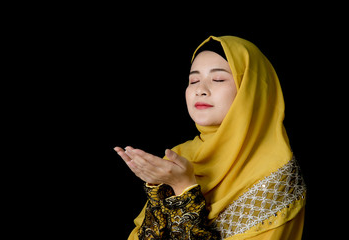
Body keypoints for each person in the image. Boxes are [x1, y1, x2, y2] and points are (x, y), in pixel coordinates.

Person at [114, 36, 306, 239]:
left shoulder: (274, 171)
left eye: (219, 79)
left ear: (250, 90)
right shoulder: (179, 156)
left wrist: (183, 189)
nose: (200, 90)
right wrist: (157, 192)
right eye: (193, 80)